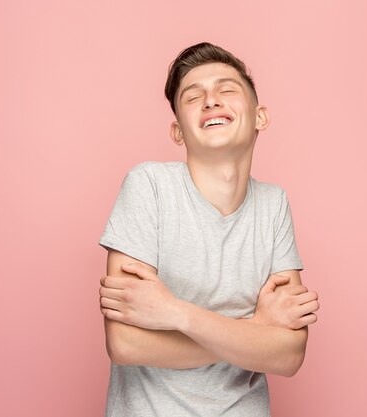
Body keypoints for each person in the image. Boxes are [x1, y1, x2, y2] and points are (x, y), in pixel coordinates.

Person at [98, 42, 320, 417]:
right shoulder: (149, 185)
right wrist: (255, 329)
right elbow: (126, 343)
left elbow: (288, 355)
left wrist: (176, 314)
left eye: (227, 89)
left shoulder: (273, 205)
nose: (211, 101)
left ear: (260, 117)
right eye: (193, 96)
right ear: (177, 132)